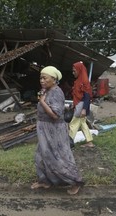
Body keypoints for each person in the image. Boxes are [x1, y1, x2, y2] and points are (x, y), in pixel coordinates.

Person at [31, 66, 84, 195]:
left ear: (54, 79)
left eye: (45, 78)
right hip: (44, 129)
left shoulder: (56, 92)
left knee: (59, 157)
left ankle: (75, 181)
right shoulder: (47, 90)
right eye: (40, 78)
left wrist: (42, 102)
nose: (42, 80)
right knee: (41, 156)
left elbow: (55, 115)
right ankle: (45, 181)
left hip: (54, 130)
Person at [69, 61, 95, 148]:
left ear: (79, 70)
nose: (73, 73)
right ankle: (89, 142)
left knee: (73, 123)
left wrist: (84, 109)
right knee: (83, 123)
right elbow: (77, 95)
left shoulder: (84, 82)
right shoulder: (78, 81)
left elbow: (87, 97)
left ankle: (69, 142)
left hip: (81, 105)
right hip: (79, 104)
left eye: (74, 71)